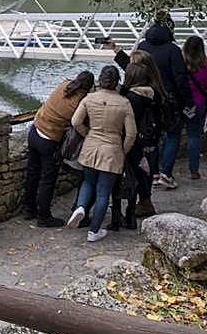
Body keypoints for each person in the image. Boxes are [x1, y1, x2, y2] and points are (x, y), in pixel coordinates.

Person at [68, 65, 137, 243]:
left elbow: (75, 121)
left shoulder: (89, 98)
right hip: (112, 149)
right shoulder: (124, 103)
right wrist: (123, 150)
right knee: (103, 192)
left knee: (88, 182)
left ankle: (81, 207)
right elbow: (131, 134)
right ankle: (94, 231)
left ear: (100, 80)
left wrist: (87, 133)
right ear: (117, 82)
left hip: (91, 145)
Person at [22, 71, 94, 227]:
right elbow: (77, 122)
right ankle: (44, 217)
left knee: (33, 172)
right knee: (47, 179)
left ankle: (29, 208)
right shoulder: (81, 101)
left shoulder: (65, 84)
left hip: (35, 130)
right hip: (49, 139)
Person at [136, 14, 191, 188]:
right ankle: (166, 174)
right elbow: (180, 78)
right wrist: (188, 102)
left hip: (147, 97)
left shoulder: (143, 46)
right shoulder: (173, 50)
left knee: (151, 137)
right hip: (169, 99)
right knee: (173, 134)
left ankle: (153, 173)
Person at [118, 58, 163, 225]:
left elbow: (129, 124)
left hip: (136, 140)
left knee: (133, 174)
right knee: (146, 171)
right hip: (151, 138)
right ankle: (145, 201)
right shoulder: (154, 92)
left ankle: (133, 210)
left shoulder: (132, 98)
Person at [170, 35, 207, 180]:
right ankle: (194, 170)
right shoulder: (205, 67)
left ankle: (166, 170)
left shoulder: (179, 66)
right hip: (198, 104)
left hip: (180, 104)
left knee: (172, 136)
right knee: (194, 136)